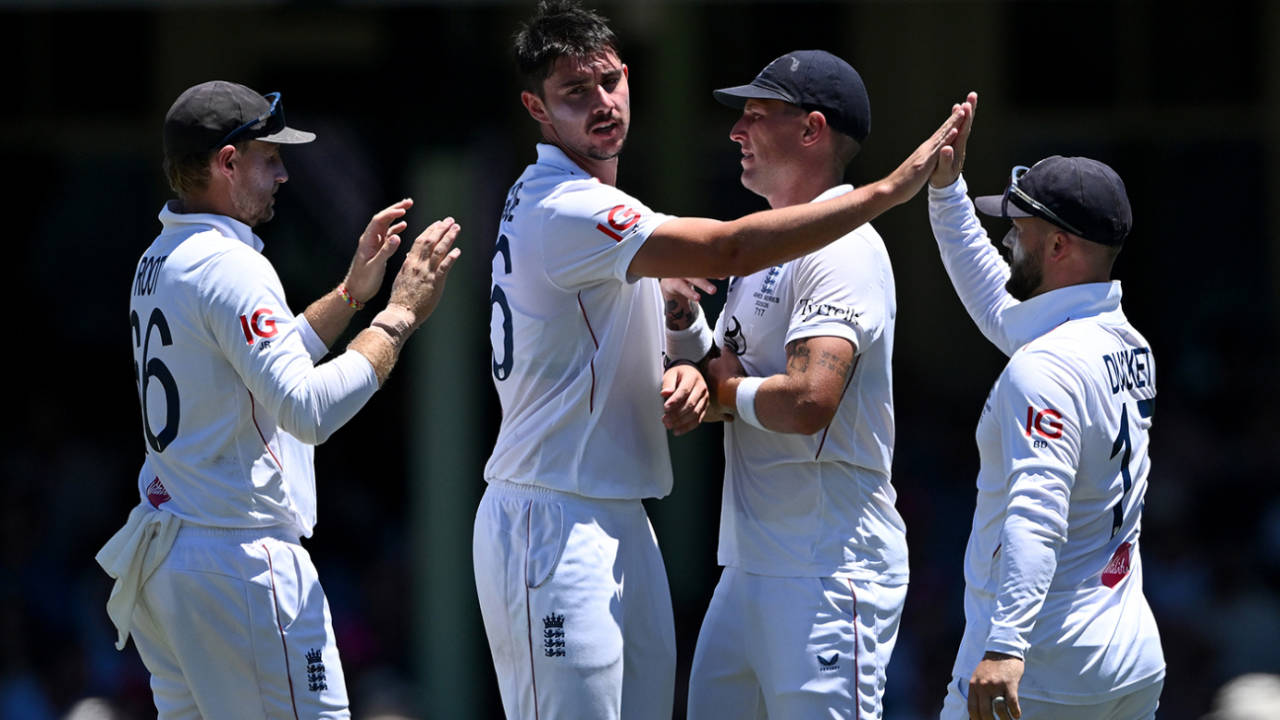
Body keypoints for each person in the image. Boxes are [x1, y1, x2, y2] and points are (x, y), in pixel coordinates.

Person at [473, 2, 971, 718]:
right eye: (574, 93)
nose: (602, 103)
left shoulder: (622, 219)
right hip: (557, 514)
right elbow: (730, 248)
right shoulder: (578, 209)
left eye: (609, 81)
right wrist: (887, 193)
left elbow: (775, 391)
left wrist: (684, 345)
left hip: (759, 549)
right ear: (536, 109)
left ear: (812, 129)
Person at [95, 80, 461, 718]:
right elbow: (308, 411)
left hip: (173, 561)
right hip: (239, 559)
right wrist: (398, 316)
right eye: (270, 158)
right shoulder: (231, 265)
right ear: (226, 163)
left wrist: (351, 293)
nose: (285, 174)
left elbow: (257, 368)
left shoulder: (161, 256)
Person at [657, 49, 909, 720]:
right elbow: (732, 374)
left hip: (827, 571)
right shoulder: (773, 247)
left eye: (756, 115)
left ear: (811, 130)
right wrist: (684, 322)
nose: (737, 132)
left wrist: (727, 391)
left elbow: (806, 401)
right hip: (750, 566)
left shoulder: (842, 246)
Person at [926, 92, 1165, 720]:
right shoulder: (1126, 343)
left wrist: (1004, 646)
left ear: (1059, 247)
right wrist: (947, 194)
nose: (1008, 240)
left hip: (1044, 667)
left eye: (1019, 230)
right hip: (1128, 657)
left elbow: (1037, 512)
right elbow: (1000, 309)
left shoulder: (1046, 365)